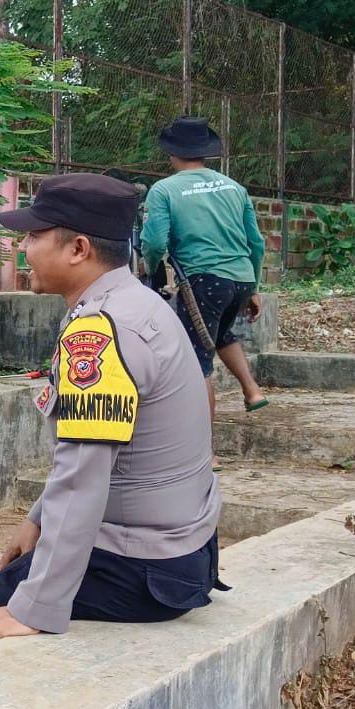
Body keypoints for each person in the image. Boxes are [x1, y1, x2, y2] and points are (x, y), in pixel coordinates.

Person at [0, 173, 229, 668]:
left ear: (78, 248)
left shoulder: (102, 332)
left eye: (34, 236)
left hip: (144, 568)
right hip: (177, 550)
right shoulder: (133, 302)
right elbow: (98, 450)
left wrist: (32, 608)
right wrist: (36, 518)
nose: (22, 248)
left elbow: (85, 477)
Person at [140, 115, 269, 470]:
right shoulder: (234, 187)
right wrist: (254, 287)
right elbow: (255, 242)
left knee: (197, 363)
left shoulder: (164, 190)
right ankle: (251, 390)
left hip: (204, 281)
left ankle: (203, 453)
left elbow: (153, 242)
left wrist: (151, 272)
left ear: (171, 152)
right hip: (241, 277)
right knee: (220, 333)